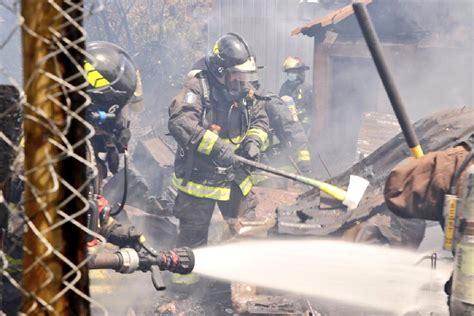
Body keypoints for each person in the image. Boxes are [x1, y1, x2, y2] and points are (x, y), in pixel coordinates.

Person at [168, 33, 269, 250]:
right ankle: (185, 283)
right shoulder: (197, 87)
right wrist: (217, 147)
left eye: (245, 75)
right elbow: (180, 122)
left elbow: (260, 119)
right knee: (192, 243)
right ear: (220, 71)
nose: (242, 81)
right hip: (199, 179)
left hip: (235, 176)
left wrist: (253, 141)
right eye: (237, 75)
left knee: (246, 231)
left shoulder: (246, 91)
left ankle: (238, 279)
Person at [254, 95, 312, 188]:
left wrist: (305, 169)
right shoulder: (272, 119)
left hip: (282, 174)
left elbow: (299, 141)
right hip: (269, 173)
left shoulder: (287, 125)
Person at [279, 56, 313, 133]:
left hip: (303, 123)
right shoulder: (285, 86)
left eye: (293, 72)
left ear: (299, 73)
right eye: (289, 72)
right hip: (287, 122)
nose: (290, 74)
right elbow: (280, 101)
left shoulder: (306, 87)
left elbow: (311, 108)